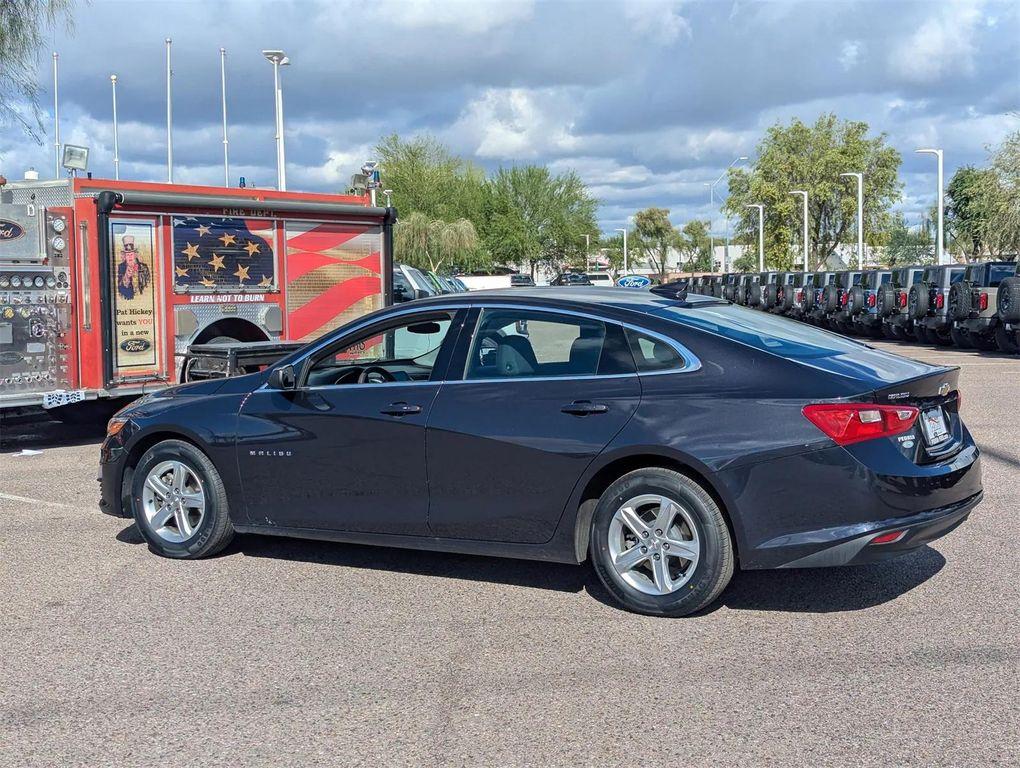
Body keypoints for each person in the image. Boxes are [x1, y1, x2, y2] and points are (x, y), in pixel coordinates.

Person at [117, 234, 151, 300]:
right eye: (127, 254)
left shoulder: (144, 267)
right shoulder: (120, 268)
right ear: (124, 256)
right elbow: (119, 291)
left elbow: (149, 287)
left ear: (135, 255)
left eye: (131, 254)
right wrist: (126, 277)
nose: (130, 257)